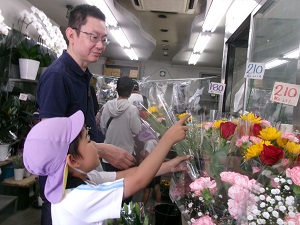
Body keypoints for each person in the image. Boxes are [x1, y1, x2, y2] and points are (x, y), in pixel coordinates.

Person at [36, 4, 136, 224]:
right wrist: (104, 150)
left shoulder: (84, 79)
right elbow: (54, 144)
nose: (100, 45)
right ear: (71, 34)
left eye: (104, 39)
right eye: (93, 37)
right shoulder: (57, 77)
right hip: (63, 194)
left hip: (83, 180)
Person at [23, 110, 190, 225]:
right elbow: (139, 181)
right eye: (88, 141)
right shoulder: (79, 199)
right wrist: (168, 139)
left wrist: (168, 166)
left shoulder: (85, 180)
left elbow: (131, 174)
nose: (95, 146)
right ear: (72, 160)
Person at [100, 77, 141, 172]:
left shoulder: (107, 106)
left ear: (117, 89)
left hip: (108, 154)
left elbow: (102, 127)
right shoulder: (132, 110)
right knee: (122, 184)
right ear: (131, 91)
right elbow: (136, 130)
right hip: (125, 156)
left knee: (109, 183)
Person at [135, 124, 162, 212]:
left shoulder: (149, 142)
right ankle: (157, 206)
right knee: (157, 188)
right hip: (157, 168)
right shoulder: (156, 141)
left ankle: (141, 210)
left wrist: (141, 154)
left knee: (146, 190)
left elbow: (147, 156)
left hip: (150, 170)